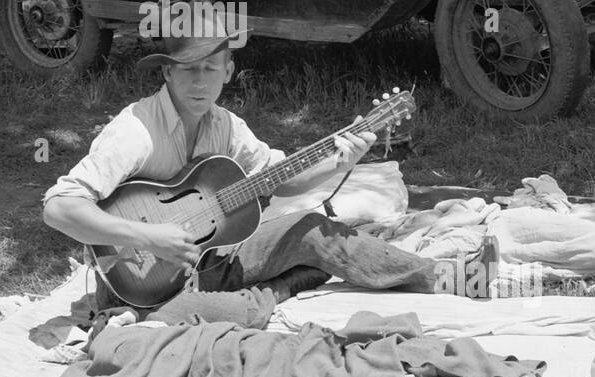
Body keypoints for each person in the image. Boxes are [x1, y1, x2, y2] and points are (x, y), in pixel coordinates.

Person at [43, 27, 440, 315]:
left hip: (210, 262)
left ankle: (441, 276)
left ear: (228, 72)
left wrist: (342, 161)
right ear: (167, 72)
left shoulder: (227, 126)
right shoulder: (136, 130)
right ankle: (278, 288)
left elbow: (281, 179)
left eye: (211, 69)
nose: (200, 81)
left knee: (312, 228)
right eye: (188, 69)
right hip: (136, 285)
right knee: (226, 320)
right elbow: (58, 208)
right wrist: (148, 236)